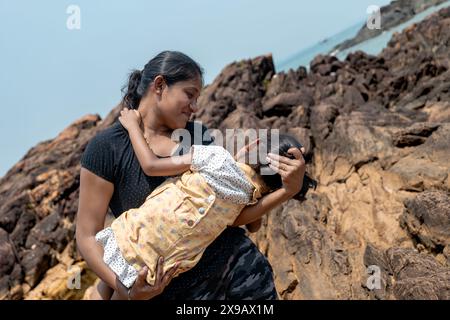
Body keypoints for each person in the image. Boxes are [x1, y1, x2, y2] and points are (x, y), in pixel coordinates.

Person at [76, 50, 306, 300]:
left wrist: (278, 187)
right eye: (190, 94)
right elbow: (87, 237)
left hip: (243, 275)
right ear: (160, 85)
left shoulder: (197, 135)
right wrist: (126, 289)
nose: (195, 107)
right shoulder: (107, 149)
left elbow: (234, 215)